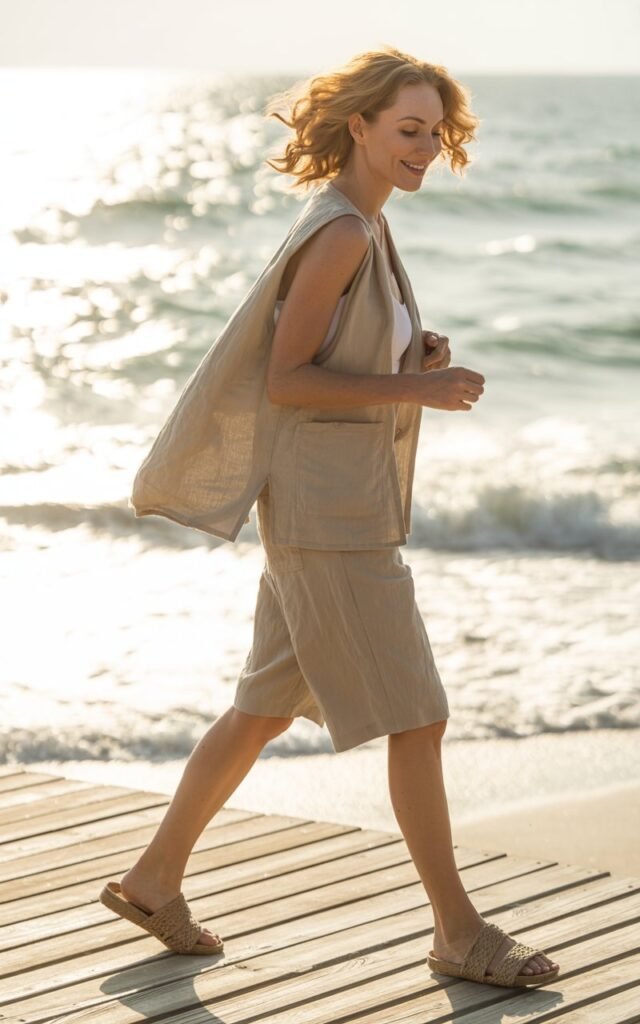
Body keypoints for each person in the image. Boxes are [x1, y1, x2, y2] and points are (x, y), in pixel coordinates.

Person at [100, 46, 559, 988]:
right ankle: (459, 932)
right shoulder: (343, 232)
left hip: (330, 510)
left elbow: (332, 361)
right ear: (358, 126)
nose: (425, 148)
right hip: (329, 521)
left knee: (264, 706)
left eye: (435, 132)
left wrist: (408, 354)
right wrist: (421, 384)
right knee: (419, 716)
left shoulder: (365, 228)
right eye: (407, 130)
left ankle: (153, 879)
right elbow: (287, 379)